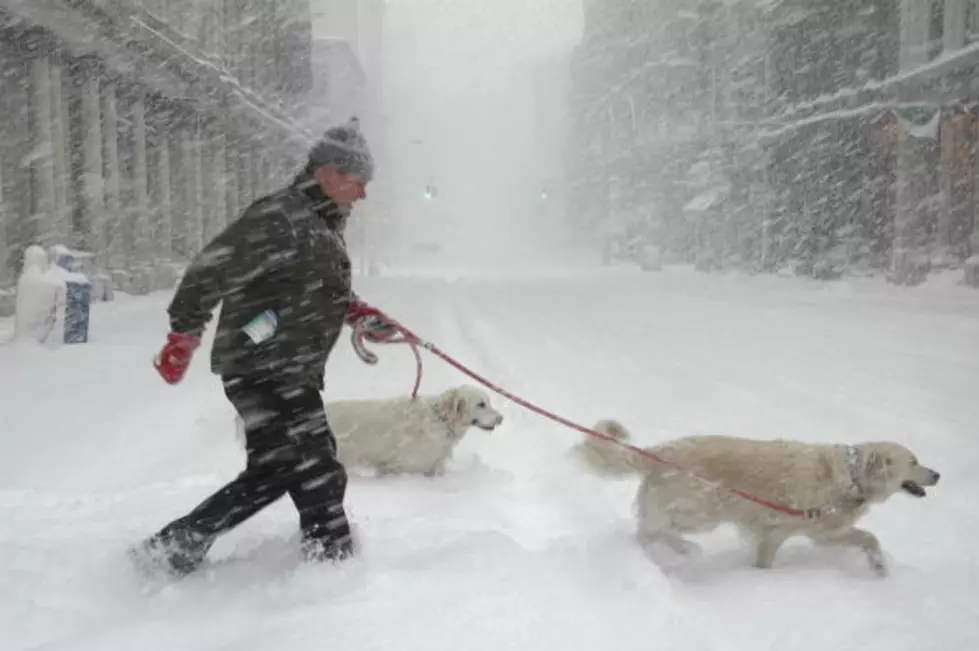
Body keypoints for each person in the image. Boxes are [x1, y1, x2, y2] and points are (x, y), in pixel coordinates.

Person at [130, 119, 396, 577]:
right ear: (326, 172)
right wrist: (183, 334)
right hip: (267, 365)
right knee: (306, 468)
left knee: (291, 469)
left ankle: (178, 548)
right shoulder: (280, 217)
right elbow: (209, 269)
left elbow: (313, 288)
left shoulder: (318, 222)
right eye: (358, 182)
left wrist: (360, 315)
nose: (363, 194)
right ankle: (328, 565)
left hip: (284, 365)